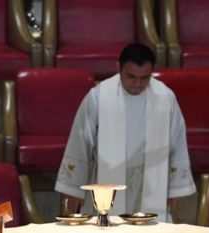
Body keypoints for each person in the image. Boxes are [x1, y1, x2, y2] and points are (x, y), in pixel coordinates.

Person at [54, 43, 196, 222]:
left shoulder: (165, 97)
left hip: (150, 182)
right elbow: (80, 142)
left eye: (144, 78)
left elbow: (177, 143)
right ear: (118, 68)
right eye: (131, 77)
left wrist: (175, 188)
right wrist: (75, 189)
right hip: (107, 179)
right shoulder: (99, 96)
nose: (137, 84)